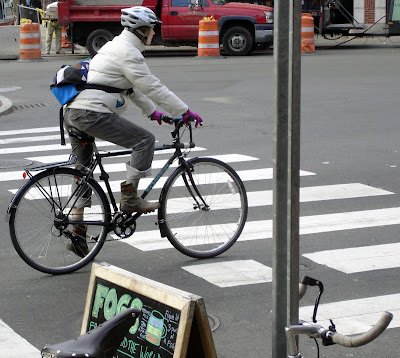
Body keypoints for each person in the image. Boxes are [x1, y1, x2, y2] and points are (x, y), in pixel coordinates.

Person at [62, 6, 203, 257]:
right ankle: (129, 198)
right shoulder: (129, 52)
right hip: (91, 113)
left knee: (82, 174)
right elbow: (151, 86)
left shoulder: (114, 46)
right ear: (144, 31)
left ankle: (77, 234)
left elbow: (130, 88)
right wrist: (183, 111)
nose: (153, 34)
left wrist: (153, 113)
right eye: (152, 29)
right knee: (144, 140)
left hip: (74, 113)